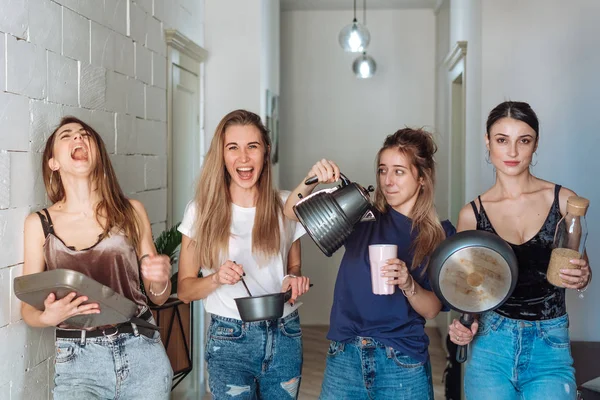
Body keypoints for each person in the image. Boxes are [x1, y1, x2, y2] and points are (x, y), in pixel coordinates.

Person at [284, 128, 456, 400]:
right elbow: (292, 211)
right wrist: (311, 180)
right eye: (382, 170)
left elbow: (433, 309)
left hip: (402, 360)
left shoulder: (440, 235)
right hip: (345, 356)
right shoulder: (360, 215)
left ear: (422, 178)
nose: (388, 181)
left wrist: (408, 283)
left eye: (398, 171)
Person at [448, 101, 592, 400]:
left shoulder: (564, 201)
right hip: (491, 346)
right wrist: (463, 325)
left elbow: (580, 271)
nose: (512, 152)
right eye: (502, 140)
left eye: (523, 141)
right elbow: (467, 293)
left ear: (535, 144)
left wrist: (582, 276)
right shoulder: (471, 216)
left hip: (549, 346)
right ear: (488, 142)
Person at [21, 116, 173, 399]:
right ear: (53, 162)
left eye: (84, 134)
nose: (78, 138)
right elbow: (27, 310)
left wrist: (161, 280)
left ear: (97, 153)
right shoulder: (39, 224)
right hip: (78, 361)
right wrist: (47, 316)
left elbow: (158, 297)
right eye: (66, 136)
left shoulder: (131, 211)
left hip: (142, 352)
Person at [176, 109, 310, 399]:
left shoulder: (286, 206)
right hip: (230, 338)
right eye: (233, 147)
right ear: (221, 155)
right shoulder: (201, 211)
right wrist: (216, 278)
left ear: (266, 152)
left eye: (253, 146)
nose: (244, 157)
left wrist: (294, 279)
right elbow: (185, 291)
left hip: (285, 334)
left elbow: (294, 265)